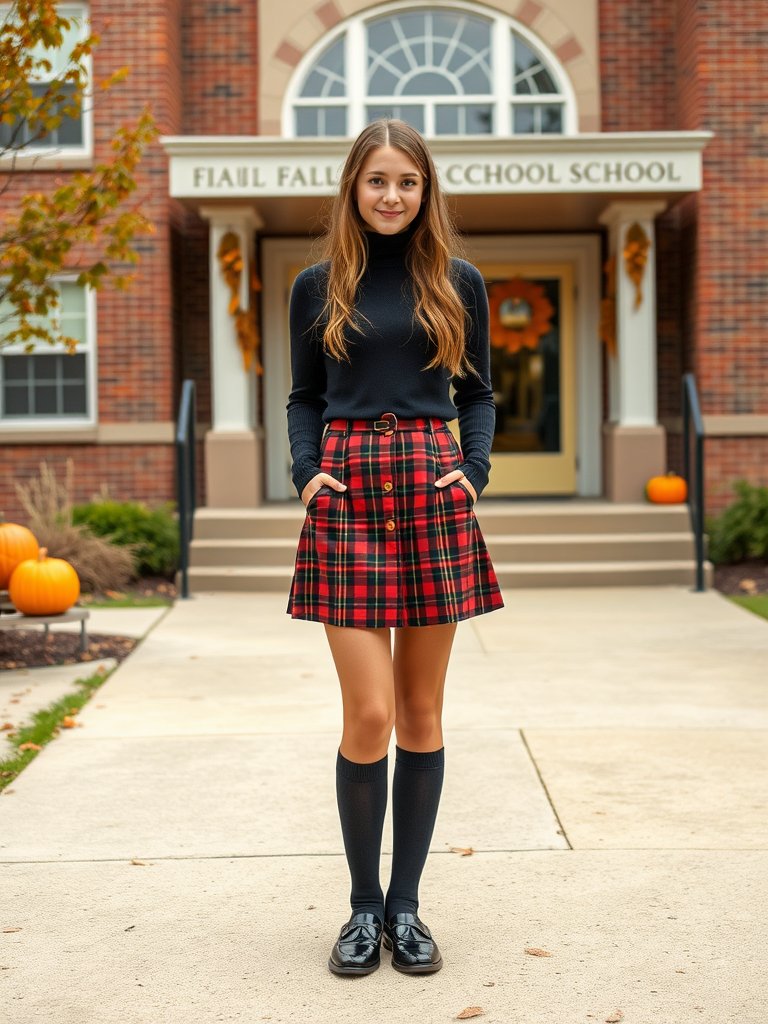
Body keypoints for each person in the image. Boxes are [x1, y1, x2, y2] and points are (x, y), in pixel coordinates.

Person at [285, 118, 504, 977]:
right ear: (353, 187)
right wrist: (307, 473)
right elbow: (304, 396)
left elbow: (478, 391)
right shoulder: (316, 284)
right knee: (368, 715)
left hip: (430, 485)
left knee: (420, 714)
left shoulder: (458, 281)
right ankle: (360, 907)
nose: (390, 195)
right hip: (344, 492)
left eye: (406, 182)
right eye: (376, 180)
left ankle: (406, 908)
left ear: (425, 191)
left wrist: (473, 471)